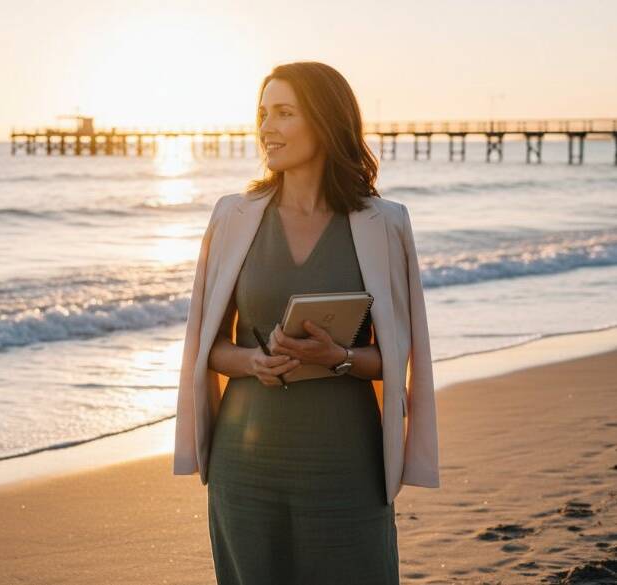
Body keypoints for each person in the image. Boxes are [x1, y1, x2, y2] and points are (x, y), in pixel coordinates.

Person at [173, 61, 440, 584]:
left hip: (346, 460)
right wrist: (252, 361)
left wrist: (336, 358)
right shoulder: (232, 217)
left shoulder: (384, 224)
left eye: (284, 113)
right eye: (262, 113)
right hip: (245, 461)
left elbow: (399, 358)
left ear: (324, 120)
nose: (266, 128)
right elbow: (206, 347)